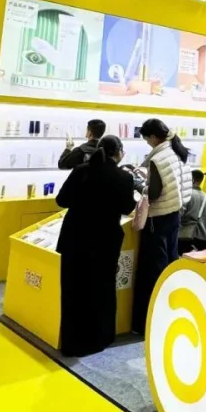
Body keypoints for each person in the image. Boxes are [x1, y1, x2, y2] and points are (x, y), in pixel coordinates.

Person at [55, 135, 136, 356]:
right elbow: (127, 207)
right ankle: (99, 338)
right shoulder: (123, 177)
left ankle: (72, 342)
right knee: (102, 289)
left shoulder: (81, 170)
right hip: (104, 240)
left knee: (73, 291)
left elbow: (61, 200)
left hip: (74, 238)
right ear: (118, 152)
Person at [131, 119, 191, 334]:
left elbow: (154, 193)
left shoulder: (157, 158)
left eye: (147, 139)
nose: (147, 143)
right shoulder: (175, 151)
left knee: (152, 268)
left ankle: (149, 317)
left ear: (154, 137)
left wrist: (139, 185)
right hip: (173, 213)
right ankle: (170, 309)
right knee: (170, 260)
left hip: (157, 218)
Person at [178, 170, 206, 255]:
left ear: (192, 180)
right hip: (202, 237)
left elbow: (179, 214)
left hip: (186, 236)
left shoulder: (187, 195)